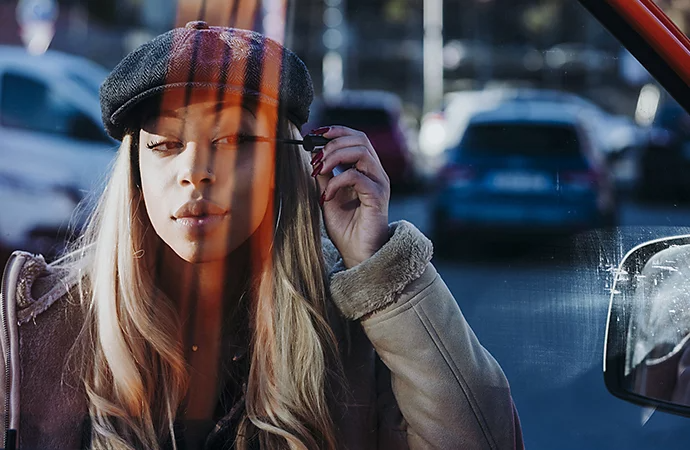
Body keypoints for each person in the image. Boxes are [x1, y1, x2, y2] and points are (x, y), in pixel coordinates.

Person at [0, 22, 523, 450]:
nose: (195, 171)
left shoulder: (355, 331)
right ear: (134, 170)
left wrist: (384, 272)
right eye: (165, 144)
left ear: (284, 164)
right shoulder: (35, 326)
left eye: (232, 139)